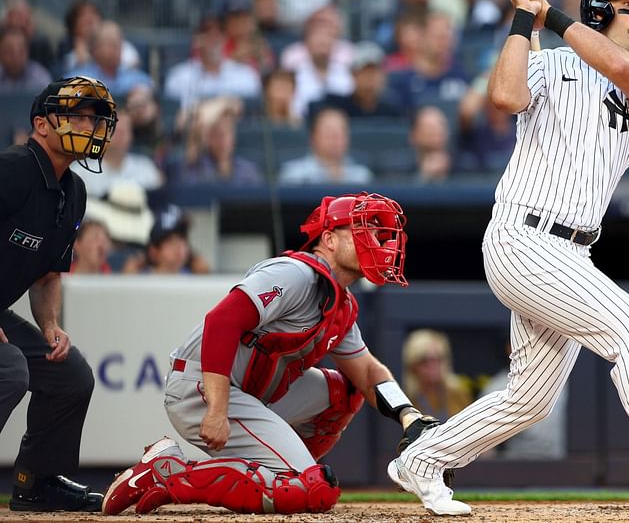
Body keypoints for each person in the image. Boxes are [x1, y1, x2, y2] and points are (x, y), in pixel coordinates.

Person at [389, 0, 629, 519]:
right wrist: (521, 20)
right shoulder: (548, 62)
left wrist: (552, 17)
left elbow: (618, 67)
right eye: (628, 6)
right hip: (522, 236)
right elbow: (506, 95)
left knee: (528, 400)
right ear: (600, 11)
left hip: (571, 250)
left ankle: (423, 458)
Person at [101, 192, 446, 515]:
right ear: (328, 238)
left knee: (346, 392)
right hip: (203, 387)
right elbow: (221, 323)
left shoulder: (341, 304)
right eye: (362, 230)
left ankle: (279, 473)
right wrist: (218, 409)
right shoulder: (295, 273)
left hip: (252, 392)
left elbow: (369, 374)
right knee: (314, 493)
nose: (377, 241)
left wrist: (409, 417)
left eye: (377, 233)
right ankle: (169, 474)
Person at [0, 76, 117, 511]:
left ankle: (37, 484)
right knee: (9, 368)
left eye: (94, 118)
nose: (89, 126)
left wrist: (50, 326)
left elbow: (49, 273)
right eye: (76, 116)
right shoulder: (14, 168)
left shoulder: (74, 191)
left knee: (69, 374)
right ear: (41, 124)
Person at [277, 106, 373, 185]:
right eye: (329, 133)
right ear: (313, 137)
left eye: (340, 133)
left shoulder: (361, 177)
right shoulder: (294, 176)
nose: (335, 139)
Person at [401, 329, 473, 422]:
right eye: (425, 360)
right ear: (413, 364)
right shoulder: (406, 398)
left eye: (438, 359)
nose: (433, 366)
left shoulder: (459, 393)